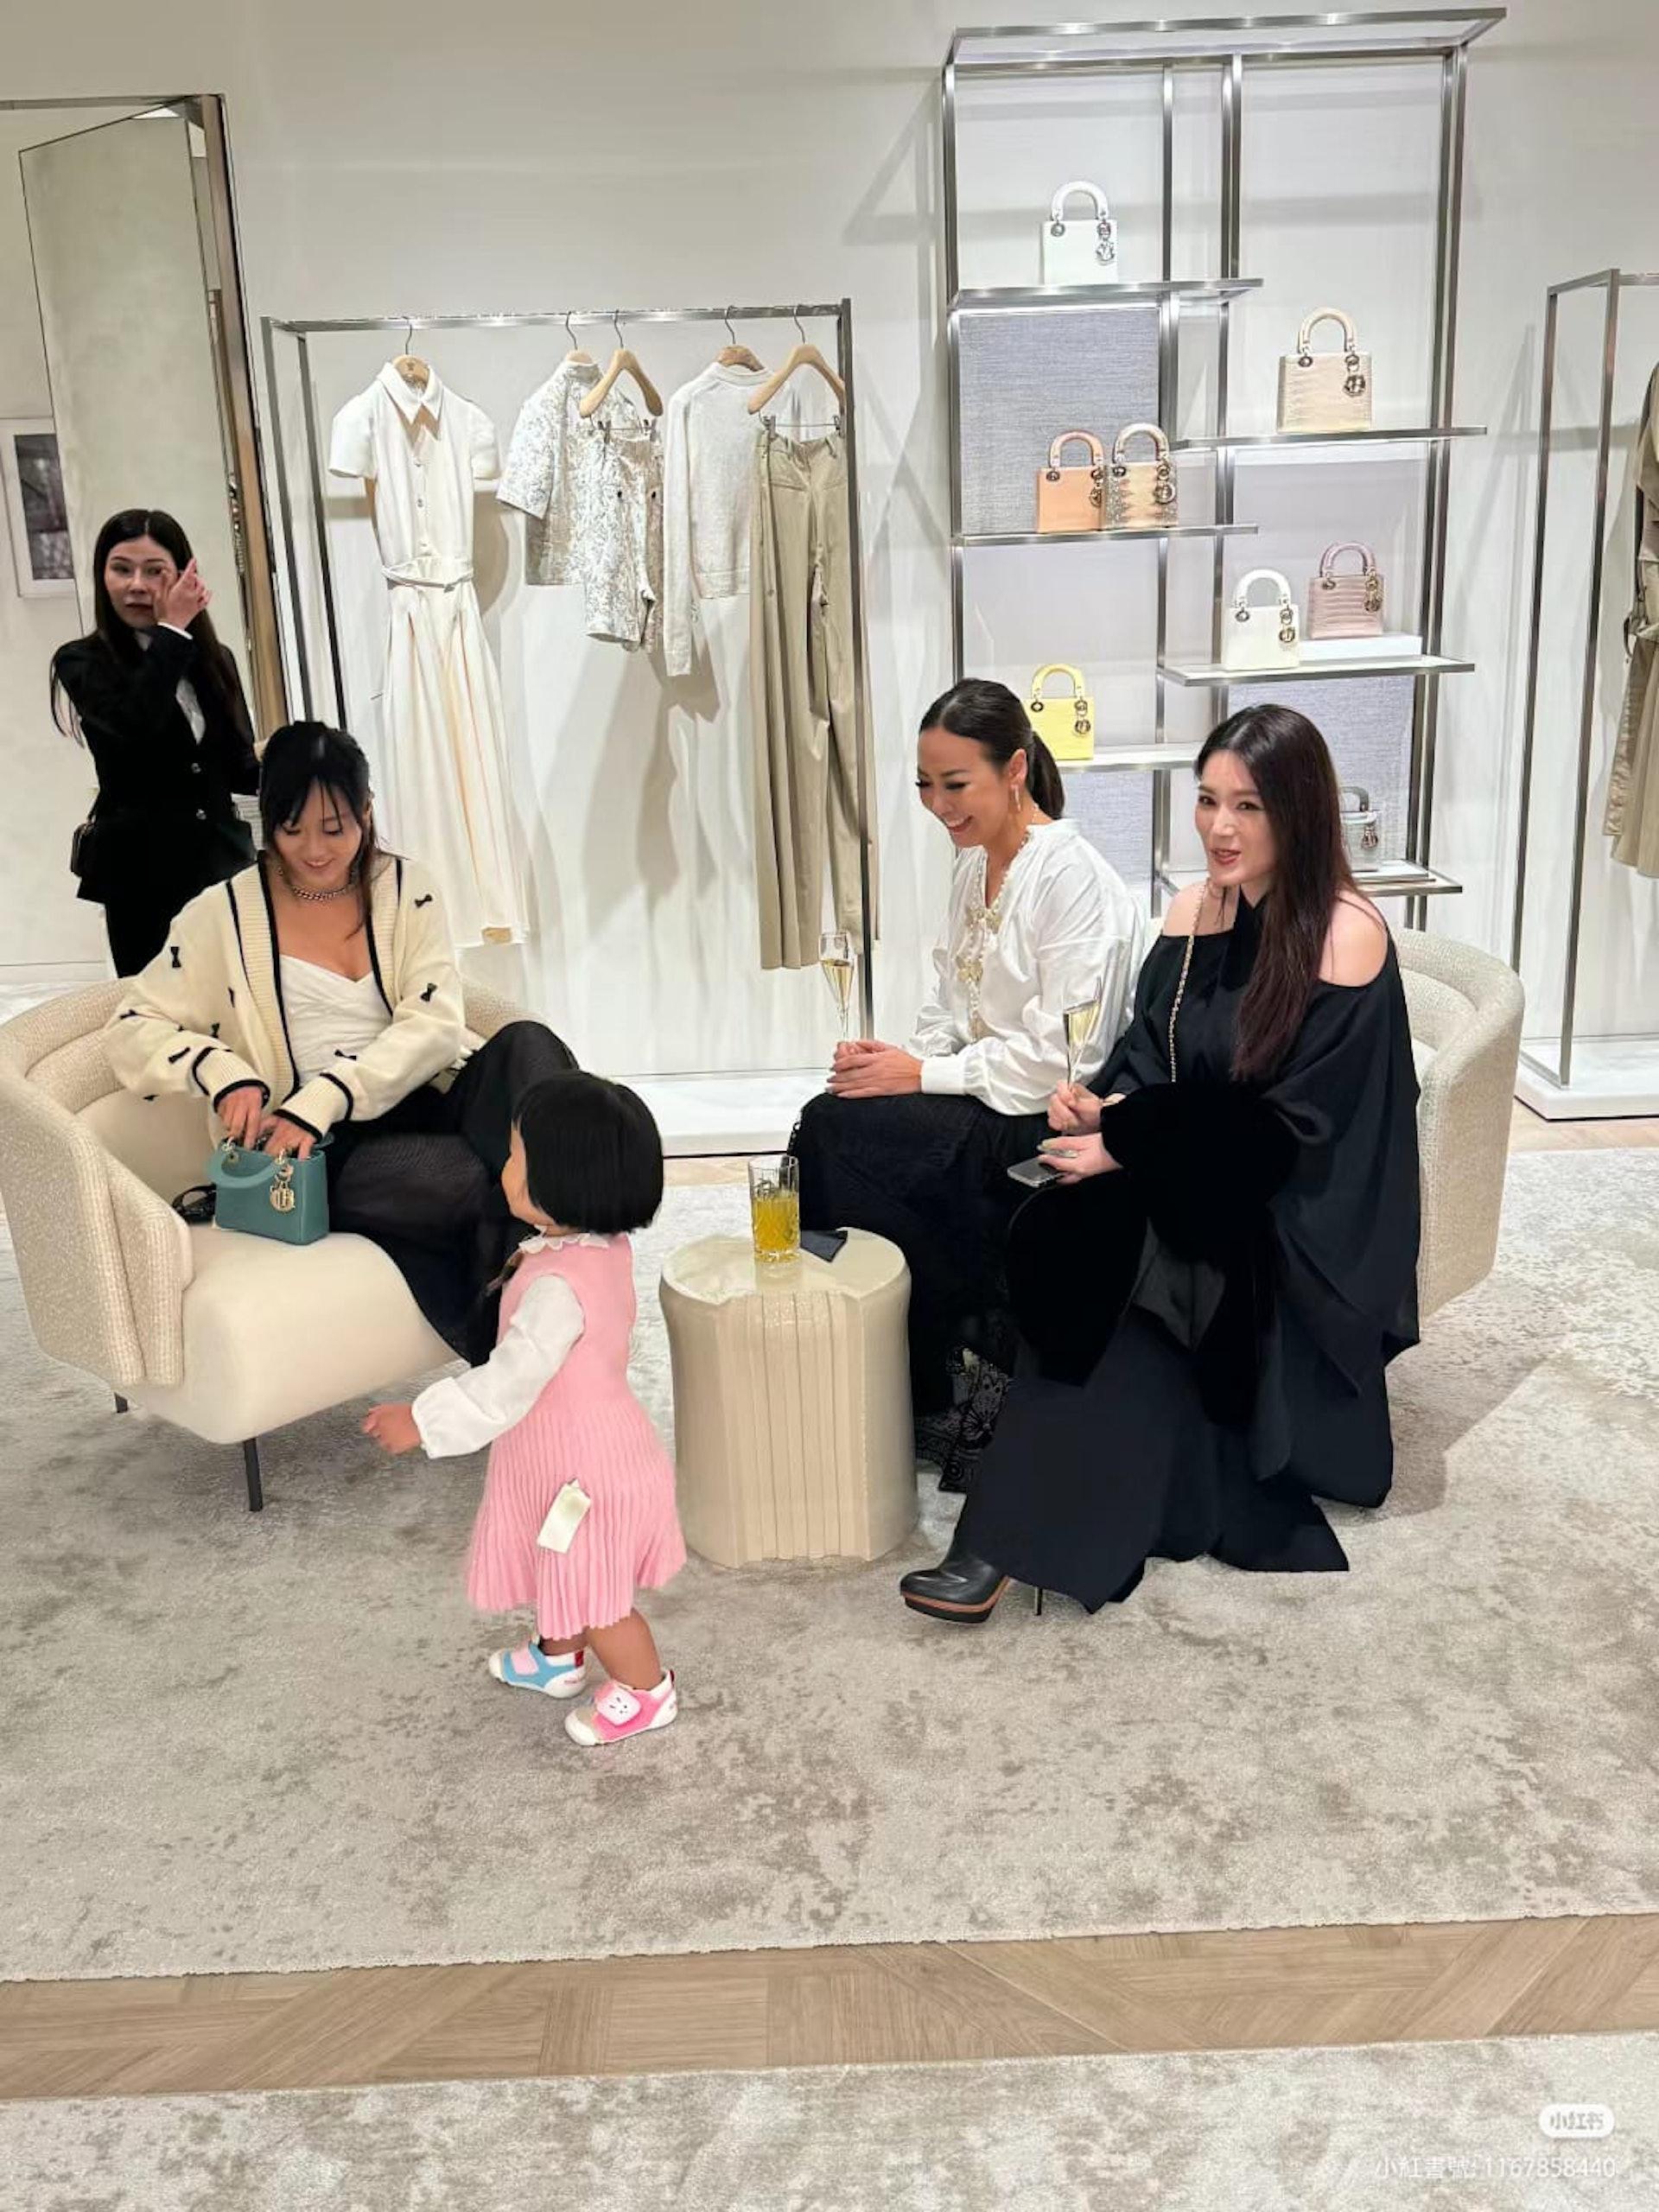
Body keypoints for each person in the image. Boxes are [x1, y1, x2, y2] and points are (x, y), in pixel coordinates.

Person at [900, 704, 1421, 1624]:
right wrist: (1102, 1105)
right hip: (1197, 1176)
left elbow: (1286, 1136)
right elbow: (1152, 1057)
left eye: (1249, 806)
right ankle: (1021, 1499)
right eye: (1208, 800)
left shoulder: (1345, 934)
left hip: (1297, 1221)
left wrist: (1131, 1141)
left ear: (1299, 811)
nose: (1220, 828)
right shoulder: (1196, 910)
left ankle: (1001, 1536)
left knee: (1137, 1244)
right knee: (1070, 1211)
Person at [104, 721, 576, 1359]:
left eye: (335, 828)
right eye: (291, 828)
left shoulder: (407, 888)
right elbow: (131, 1027)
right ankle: (549, 1312)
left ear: (367, 812)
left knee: (531, 1047)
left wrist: (331, 1091)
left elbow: (437, 1026)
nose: (315, 850)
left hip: (424, 1094)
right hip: (321, 1142)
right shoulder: (221, 914)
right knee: (471, 1177)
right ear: (266, 821)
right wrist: (224, 1071)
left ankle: (545, 1291)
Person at [791, 677, 1142, 1478]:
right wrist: (898, 1066)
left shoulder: (1070, 878)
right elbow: (948, 1003)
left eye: (955, 784)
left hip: (1041, 1117)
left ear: (1015, 769)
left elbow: (1062, 1062)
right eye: (925, 784)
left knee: (832, 1133)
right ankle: (895, 1364)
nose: (938, 805)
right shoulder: (975, 864)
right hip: (982, 1093)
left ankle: (925, 1370)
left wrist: (924, 1075)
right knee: (839, 1113)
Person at [363, 1074, 685, 1750]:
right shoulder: (594, 1247)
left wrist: (423, 1420)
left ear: (560, 1181)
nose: (504, 1167)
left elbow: (508, 1382)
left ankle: (647, 1690)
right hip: (567, 1451)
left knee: (597, 1595)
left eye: (515, 1156)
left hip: (585, 1474)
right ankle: (557, 1657)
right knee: (554, 1556)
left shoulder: (556, 1290)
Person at [53, 508, 259, 976]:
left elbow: (239, 768)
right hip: (139, 875)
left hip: (221, 868)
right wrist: (172, 632)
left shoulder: (215, 659)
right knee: (157, 1006)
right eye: (121, 569)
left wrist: (313, 771)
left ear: (184, 575)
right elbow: (135, 729)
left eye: (154, 571)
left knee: (237, 999)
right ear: (102, 576)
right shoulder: (83, 661)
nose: (137, 586)